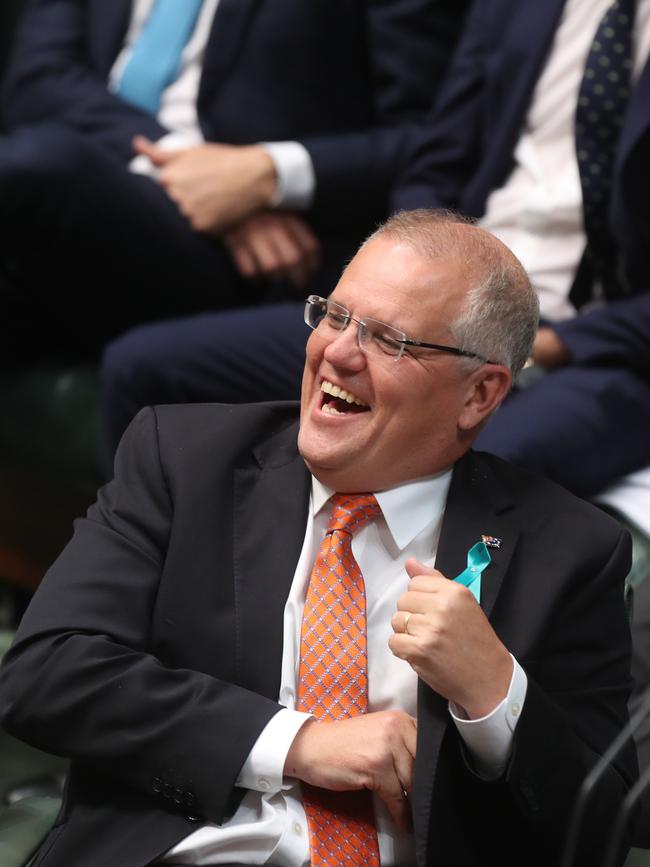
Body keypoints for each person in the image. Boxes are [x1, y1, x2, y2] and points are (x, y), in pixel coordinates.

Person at [0, 211, 637, 867]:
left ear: (478, 394)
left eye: (388, 339)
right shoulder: (186, 461)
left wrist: (496, 692)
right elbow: (48, 670)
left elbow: (606, 827)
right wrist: (297, 742)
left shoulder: (569, 550)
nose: (336, 352)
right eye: (334, 316)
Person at [101, 0, 650, 501]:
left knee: (478, 468)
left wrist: (554, 344)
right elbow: (437, 159)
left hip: (597, 345)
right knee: (147, 370)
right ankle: (151, 600)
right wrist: (409, 295)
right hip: (438, 305)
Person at [0, 0, 464, 361]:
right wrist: (191, 174)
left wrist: (270, 174)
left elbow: (433, 136)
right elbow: (37, 80)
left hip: (257, 264)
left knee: (38, 167)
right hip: (111, 190)